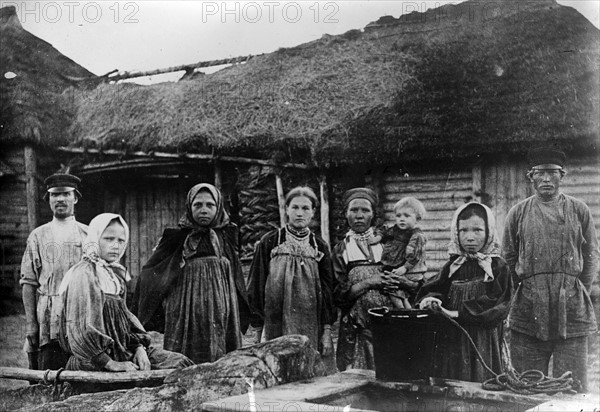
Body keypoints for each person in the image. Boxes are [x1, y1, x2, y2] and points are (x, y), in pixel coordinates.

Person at [503, 148, 599, 392]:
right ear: (530, 177)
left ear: (562, 175)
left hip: (571, 307)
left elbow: (591, 256)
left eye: (552, 173)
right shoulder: (518, 213)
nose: (546, 179)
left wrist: (578, 290)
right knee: (527, 385)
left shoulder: (579, 210)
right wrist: (523, 293)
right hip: (529, 308)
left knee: (572, 386)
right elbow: (509, 258)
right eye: (540, 173)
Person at [131, 183, 250, 364]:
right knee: (185, 351)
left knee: (219, 349)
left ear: (218, 207)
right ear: (189, 206)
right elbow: (153, 270)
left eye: (210, 205)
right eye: (198, 205)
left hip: (220, 303)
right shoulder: (176, 236)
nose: (204, 210)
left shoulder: (226, 235)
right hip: (185, 305)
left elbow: (235, 273)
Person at [58, 213, 193, 371]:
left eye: (121, 240)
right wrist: (111, 364)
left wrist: (139, 348)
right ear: (95, 238)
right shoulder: (84, 273)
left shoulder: (115, 276)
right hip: (95, 359)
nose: (116, 245)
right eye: (109, 239)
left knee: (179, 363)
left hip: (121, 349)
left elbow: (126, 321)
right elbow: (80, 331)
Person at [418, 202, 512, 382]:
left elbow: (498, 302)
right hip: (452, 334)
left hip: (482, 337)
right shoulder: (453, 266)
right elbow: (435, 288)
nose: (470, 237)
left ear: (489, 232)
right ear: (456, 232)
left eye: (477, 230)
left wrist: (457, 313)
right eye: (463, 231)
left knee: (481, 379)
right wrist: (433, 300)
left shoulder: (497, 266)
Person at [247, 186, 335, 358]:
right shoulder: (270, 241)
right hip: (275, 322)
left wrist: (326, 331)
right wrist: (258, 329)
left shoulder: (319, 246)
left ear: (313, 212)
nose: (299, 213)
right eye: (295, 207)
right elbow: (256, 285)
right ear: (286, 209)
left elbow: (327, 290)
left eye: (305, 208)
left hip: (310, 322)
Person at [20, 173, 88, 371]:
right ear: (48, 200)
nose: (60, 199)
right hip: (48, 319)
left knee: (79, 372)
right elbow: (28, 282)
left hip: (81, 316)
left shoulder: (88, 234)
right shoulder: (38, 236)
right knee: (48, 371)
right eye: (54, 195)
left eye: (66, 194)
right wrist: (31, 324)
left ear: (75, 198)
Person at [332, 187, 402, 371]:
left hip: (391, 327)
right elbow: (339, 295)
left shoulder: (389, 243)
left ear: (373, 214)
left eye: (365, 210)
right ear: (346, 214)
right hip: (356, 331)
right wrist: (370, 282)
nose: (359, 215)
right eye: (353, 210)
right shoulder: (341, 250)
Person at [370, 196, 428, 309]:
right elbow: (385, 232)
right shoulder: (396, 229)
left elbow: (414, 255)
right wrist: (378, 238)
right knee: (397, 289)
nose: (401, 219)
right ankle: (406, 308)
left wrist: (405, 268)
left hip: (411, 270)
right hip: (399, 266)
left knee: (392, 287)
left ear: (417, 218)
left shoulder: (416, 235)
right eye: (398, 215)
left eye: (407, 216)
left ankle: (403, 310)